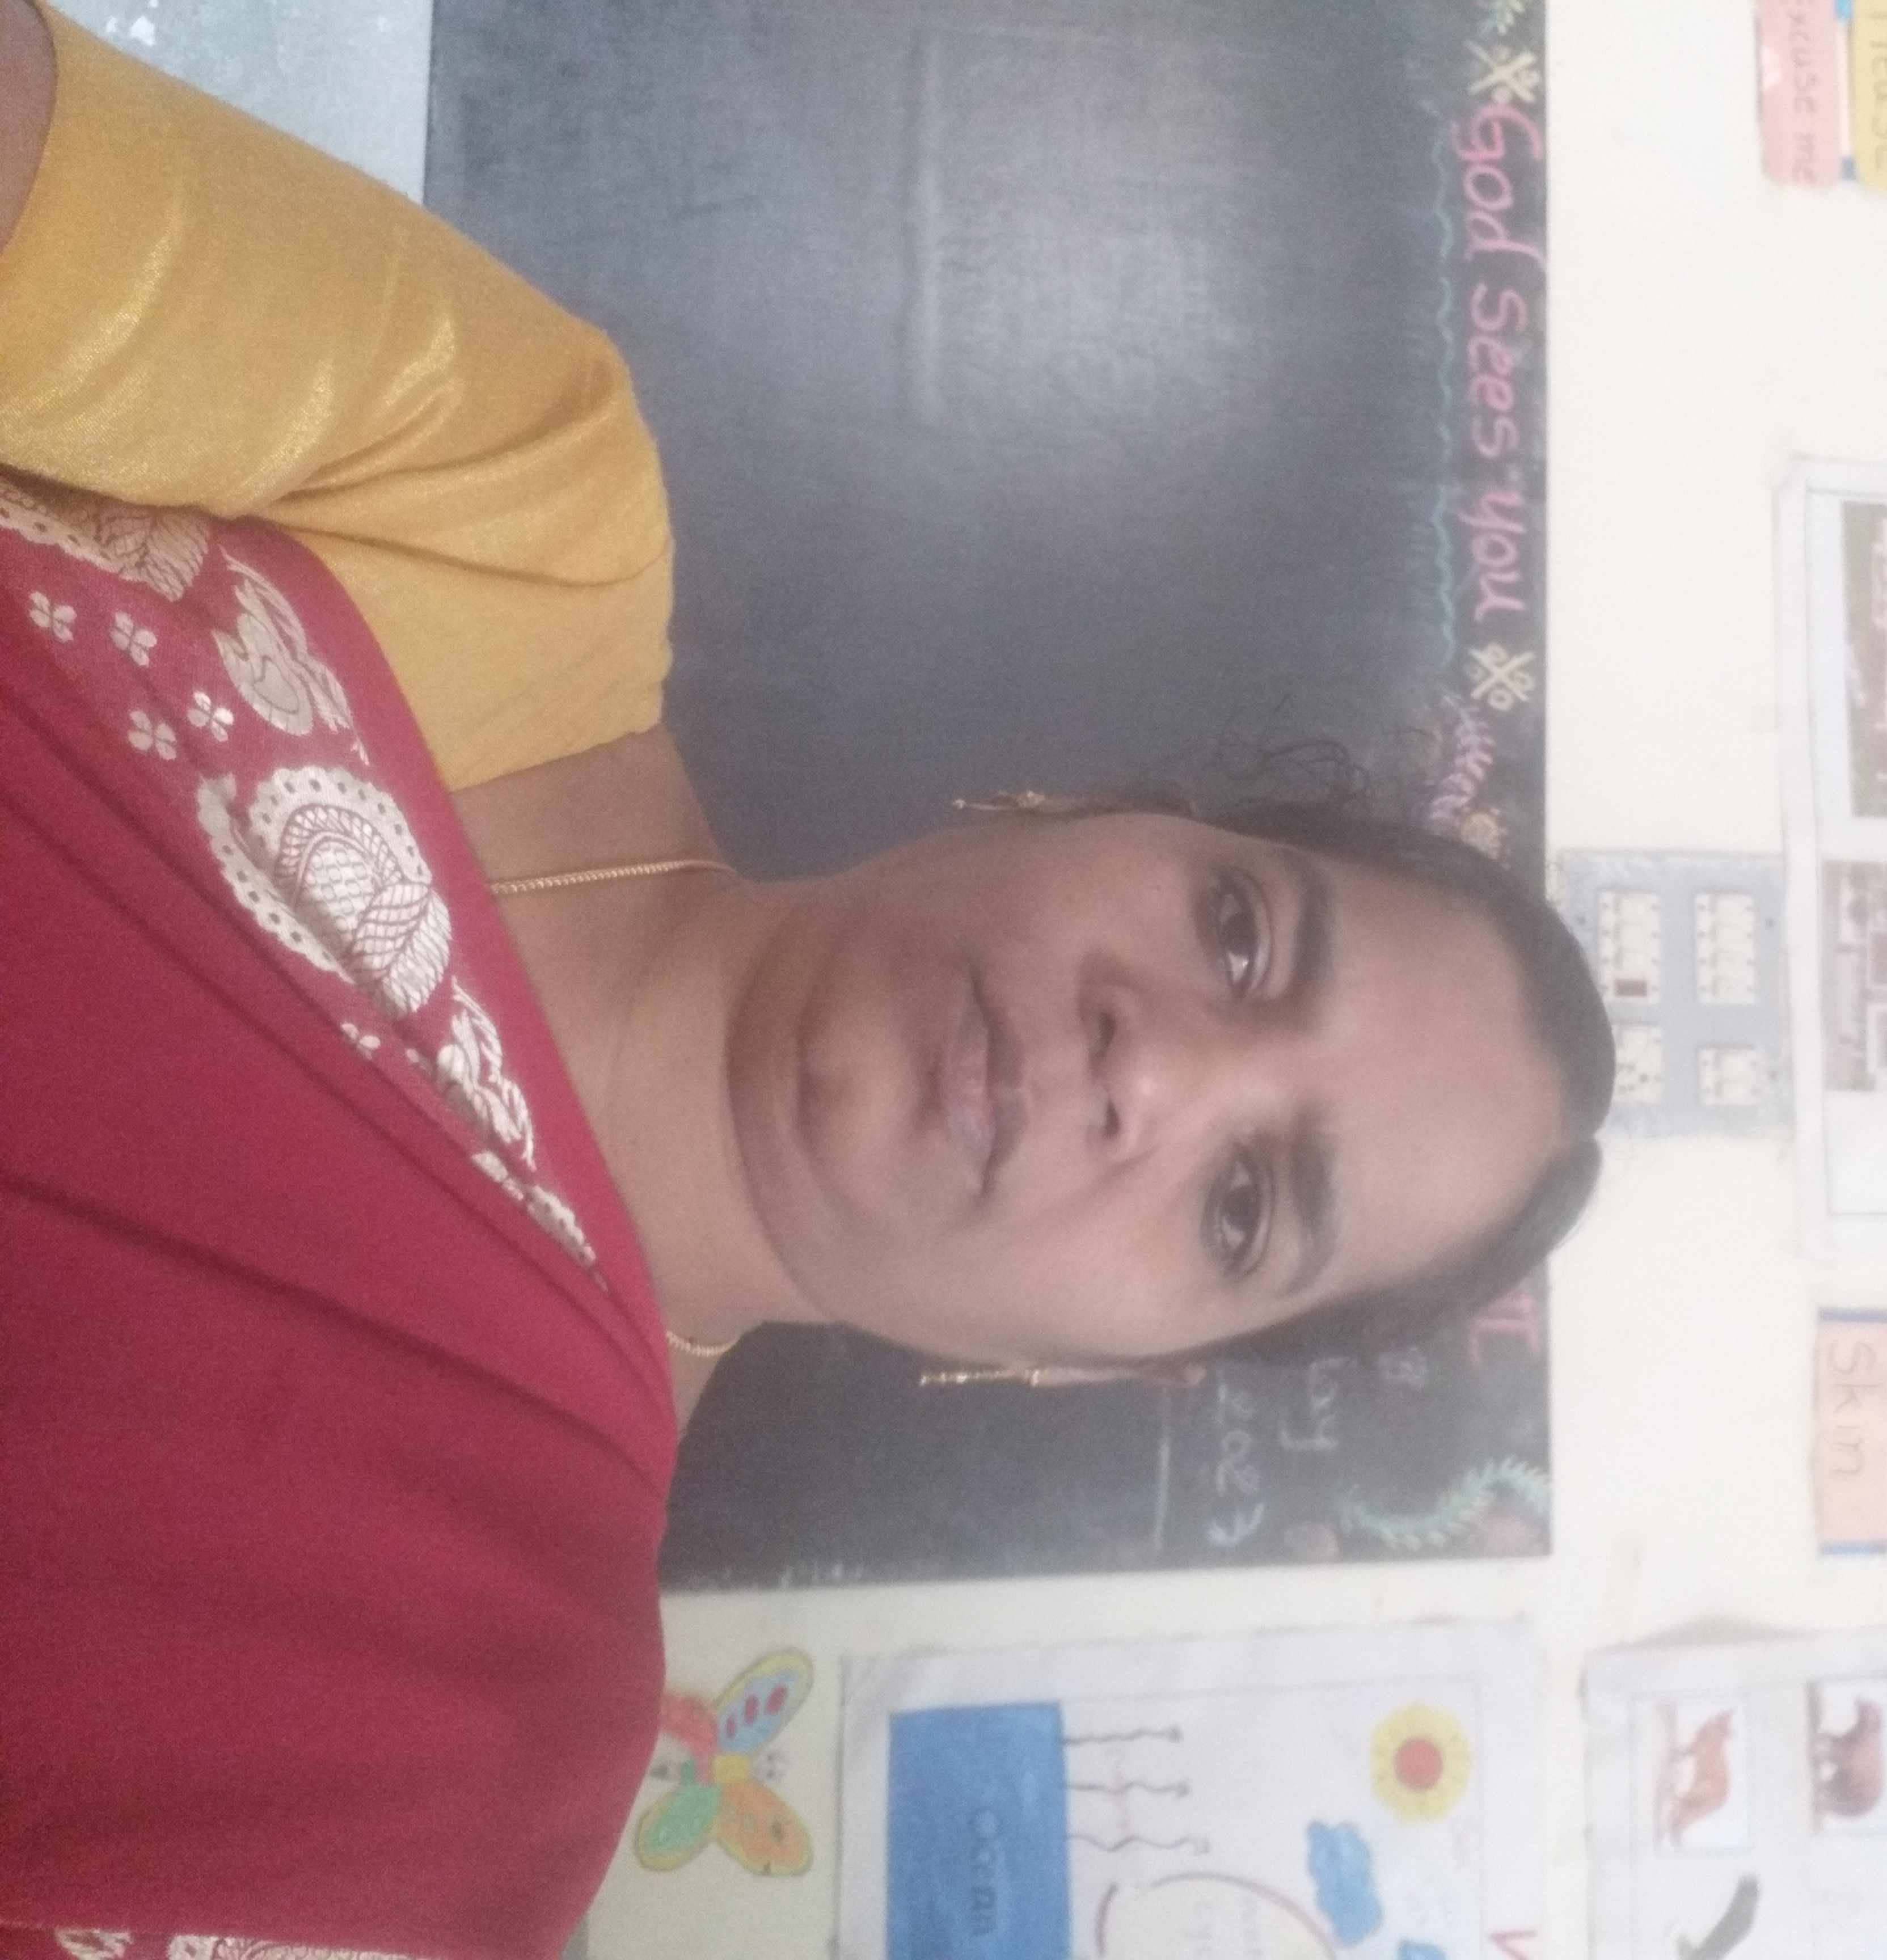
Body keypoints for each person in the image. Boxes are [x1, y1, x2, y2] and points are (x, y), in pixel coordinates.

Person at [0, 6, 1609, 1958]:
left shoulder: (467, 1767)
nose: (1158, 1076)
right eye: (1240, 936)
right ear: (1084, 809)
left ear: (1094, 1369)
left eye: (1245, 1207)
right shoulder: (512, 495)